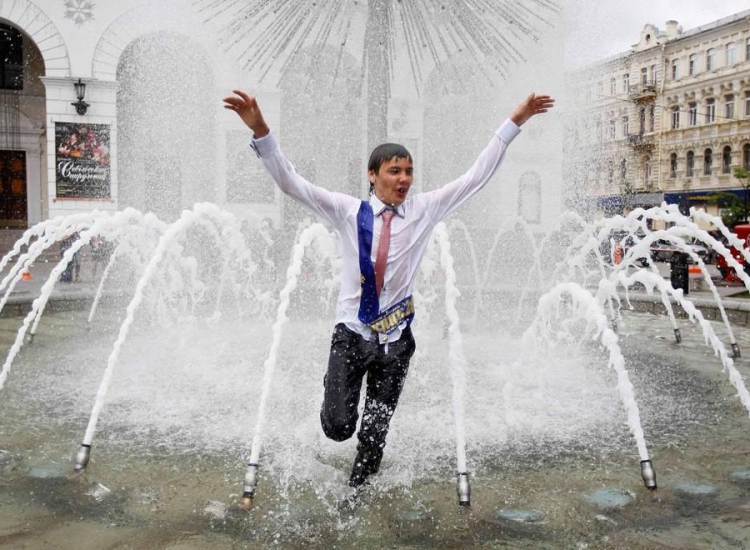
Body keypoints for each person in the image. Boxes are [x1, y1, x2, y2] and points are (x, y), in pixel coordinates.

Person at [223, 89, 555, 492]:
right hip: (351, 335)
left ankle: (357, 494)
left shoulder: (423, 210)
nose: (404, 179)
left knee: (375, 435)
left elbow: (475, 178)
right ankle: (334, 393)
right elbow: (292, 183)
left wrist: (515, 121)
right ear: (373, 175)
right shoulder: (348, 211)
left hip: (396, 341)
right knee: (339, 427)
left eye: (409, 171)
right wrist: (261, 130)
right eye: (395, 171)